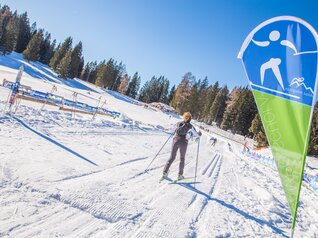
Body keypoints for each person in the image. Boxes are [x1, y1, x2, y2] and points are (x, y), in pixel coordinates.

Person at [162, 112, 202, 180]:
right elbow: (196, 135)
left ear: (183, 117)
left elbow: (172, 131)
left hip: (175, 140)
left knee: (172, 157)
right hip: (183, 142)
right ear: (190, 119)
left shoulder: (178, 123)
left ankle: (165, 172)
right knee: (182, 158)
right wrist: (199, 134)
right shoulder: (190, 126)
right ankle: (180, 175)